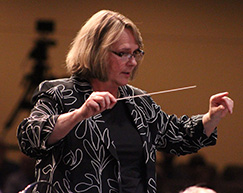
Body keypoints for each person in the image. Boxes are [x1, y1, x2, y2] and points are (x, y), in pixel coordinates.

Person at [17, 10, 234, 193]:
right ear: (95, 53)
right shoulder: (59, 93)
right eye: (123, 54)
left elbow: (178, 137)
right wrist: (79, 114)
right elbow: (30, 138)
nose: (132, 62)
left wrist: (211, 117)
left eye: (136, 53)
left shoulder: (139, 102)